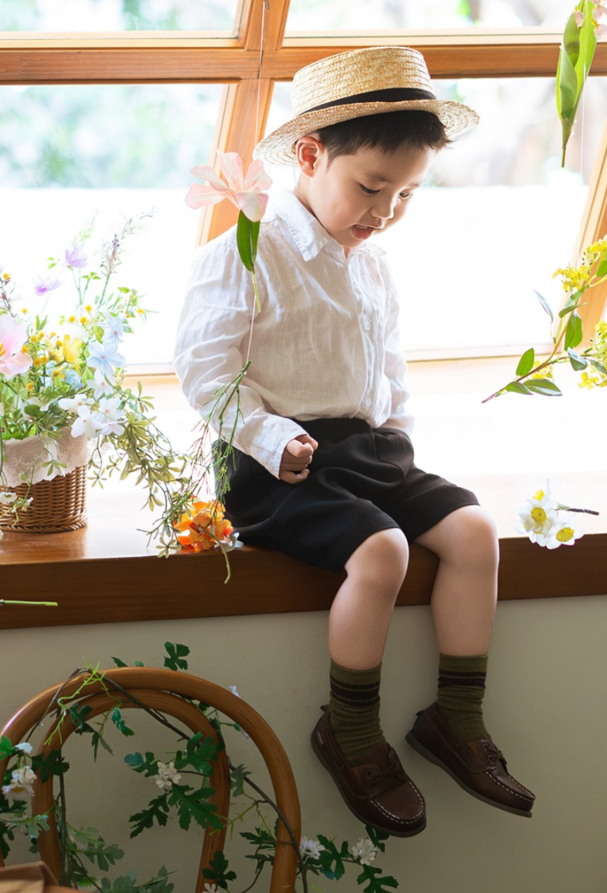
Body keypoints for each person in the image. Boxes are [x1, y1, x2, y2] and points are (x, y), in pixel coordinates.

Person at [174, 46, 534, 837]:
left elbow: (388, 367)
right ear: (309, 156)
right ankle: (351, 728)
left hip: (368, 452)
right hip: (279, 466)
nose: (386, 211)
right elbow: (206, 371)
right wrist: (272, 437)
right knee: (382, 552)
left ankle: (456, 717)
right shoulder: (246, 251)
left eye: (406, 194)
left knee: (475, 531)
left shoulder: (372, 266)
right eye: (371, 188)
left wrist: (398, 434)